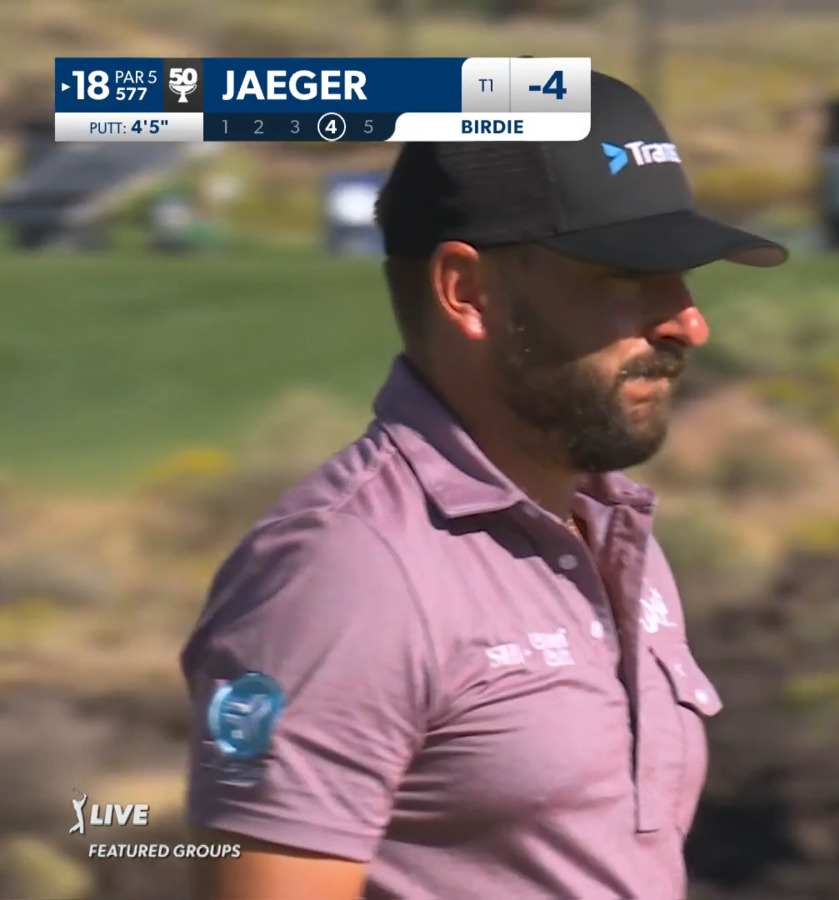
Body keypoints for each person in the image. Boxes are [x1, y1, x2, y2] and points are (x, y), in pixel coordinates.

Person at [180, 71, 787, 900]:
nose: (688, 320)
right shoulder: (343, 575)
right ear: (467, 291)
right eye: (625, 277)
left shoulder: (607, 526)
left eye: (684, 277)